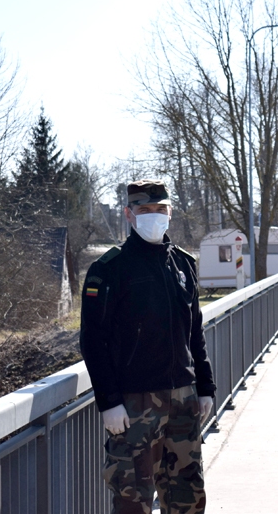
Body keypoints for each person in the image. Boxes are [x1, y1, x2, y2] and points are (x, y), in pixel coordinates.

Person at [80, 179, 216, 514]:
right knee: (132, 499)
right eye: (144, 209)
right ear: (129, 214)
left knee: (188, 496)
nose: (153, 215)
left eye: (159, 209)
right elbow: (92, 340)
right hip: (133, 405)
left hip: (183, 401)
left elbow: (194, 331)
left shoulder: (183, 264)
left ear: (170, 212)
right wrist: (108, 401)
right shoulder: (109, 269)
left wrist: (205, 387)